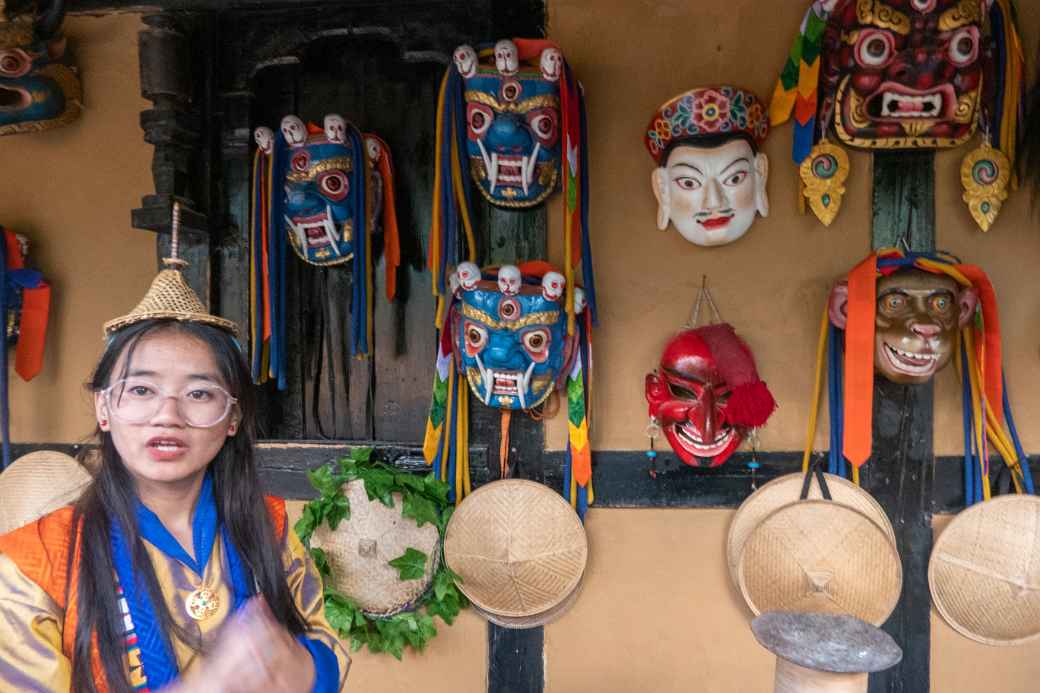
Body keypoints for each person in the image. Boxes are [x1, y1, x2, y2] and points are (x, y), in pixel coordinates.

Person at [0, 223, 349, 692]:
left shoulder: (269, 526)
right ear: (104, 408)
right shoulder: (35, 561)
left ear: (232, 417)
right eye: (141, 390)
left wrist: (301, 666)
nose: (168, 415)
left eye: (199, 393)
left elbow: (320, 644)